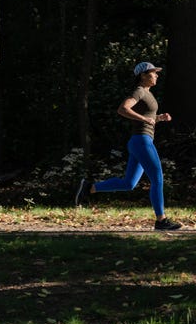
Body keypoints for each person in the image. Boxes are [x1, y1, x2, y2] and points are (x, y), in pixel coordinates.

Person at [75, 61, 182, 231]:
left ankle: (90, 188)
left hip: (139, 141)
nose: (157, 75)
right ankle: (161, 220)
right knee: (157, 178)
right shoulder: (139, 91)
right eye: (153, 72)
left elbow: (147, 117)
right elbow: (123, 109)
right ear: (143, 75)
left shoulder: (147, 93)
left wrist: (159, 118)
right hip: (141, 141)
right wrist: (144, 119)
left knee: (129, 183)